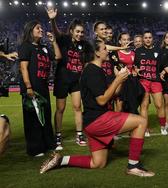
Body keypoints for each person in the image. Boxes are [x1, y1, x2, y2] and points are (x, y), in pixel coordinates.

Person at [40, 40, 155, 177]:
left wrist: (122, 79)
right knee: (141, 121)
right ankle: (133, 166)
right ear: (96, 52)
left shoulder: (95, 70)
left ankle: (60, 160)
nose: (108, 50)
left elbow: (115, 92)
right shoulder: (92, 71)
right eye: (105, 48)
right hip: (98, 120)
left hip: (91, 122)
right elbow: (102, 100)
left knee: (98, 163)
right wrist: (117, 79)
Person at [47, 7, 88, 150]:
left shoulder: (85, 44)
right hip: (62, 79)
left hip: (76, 80)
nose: (80, 34)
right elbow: (56, 32)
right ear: (71, 31)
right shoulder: (64, 39)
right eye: (77, 31)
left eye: (82, 32)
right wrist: (52, 19)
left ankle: (79, 135)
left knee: (78, 107)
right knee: (60, 109)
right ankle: (57, 136)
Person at [18, 20, 61, 156]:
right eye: (38, 28)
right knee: (33, 118)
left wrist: (53, 42)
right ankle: (35, 148)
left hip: (43, 86)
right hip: (32, 86)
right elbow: (23, 67)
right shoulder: (25, 46)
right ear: (31, 30)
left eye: (41, 28)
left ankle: (48, 144)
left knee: (45, 116)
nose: (41, 30)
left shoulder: (44, 47)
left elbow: (58, 57)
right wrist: (28, 87)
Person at [135, 31, 168, 136]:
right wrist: (135, 70)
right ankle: (145, 129)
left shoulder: (158, 50)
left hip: (156, 81)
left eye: (149, 37)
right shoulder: (138, 51)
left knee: (159, 105)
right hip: (143, 81)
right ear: (143, 39)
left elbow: (165, 65)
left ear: (152, 39)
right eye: (145, 38)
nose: (148, 39)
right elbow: (133, 66)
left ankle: (163, 127)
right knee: (144, 106)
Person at [159, 32, 168, 131]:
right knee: (163, 103)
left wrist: (165, 71)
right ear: (164, 39)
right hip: (162, 79)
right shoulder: (160, 51)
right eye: (167, 37)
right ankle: (165, 123)